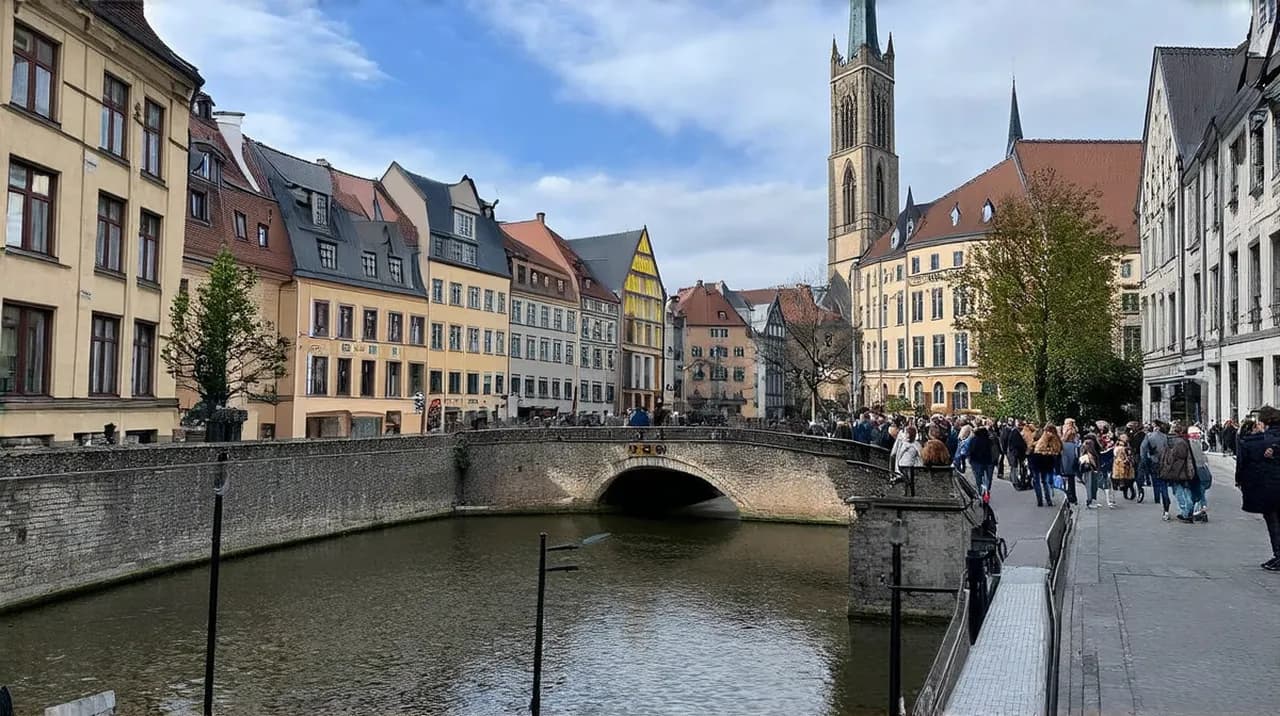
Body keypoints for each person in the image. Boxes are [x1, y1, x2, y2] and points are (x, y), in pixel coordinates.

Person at [1236, 406, 1280, 570]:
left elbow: (1243, 465)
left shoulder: (1255, 441)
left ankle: (1278, 555)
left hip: (1268, 488)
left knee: (1273, 521)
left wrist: (1241, 481)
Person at [1159, 423, 1199, 523]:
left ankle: (1185, 512)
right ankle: (1187, 512)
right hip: (1182, 471)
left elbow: (1169, 458)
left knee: (1179, 492)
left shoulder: (1169, 441)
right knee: (1185, 492)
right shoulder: (1181, 442)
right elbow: (1184, 458)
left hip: (1173, 471)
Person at [1141, 422, 1171, 520]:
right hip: (1165, 463)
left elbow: (1143, 449)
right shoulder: (1165, 437)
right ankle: (1166, 504)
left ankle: (1157, 497)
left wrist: (1144, 462)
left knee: (1156, 481)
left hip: (1154, 461)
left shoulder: (1149, 436)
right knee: (1164, 484)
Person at [1030, 425, 1063, 508]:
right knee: (1045, 481)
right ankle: (1048, 500)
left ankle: (1040, 501)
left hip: (1036, 460)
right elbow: (1058, 450)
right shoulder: (1055, 439)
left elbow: (1035, 447)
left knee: (1037, 481)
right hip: (1047, 462)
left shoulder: (1041, 436)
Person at [968, 426, 995, 496]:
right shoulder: (990, 440)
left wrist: (970, 460)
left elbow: (971, 450)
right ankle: (987, 491)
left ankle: (979, 491)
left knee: (978, 477)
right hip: (989, 461)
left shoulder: (973, 439)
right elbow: (994, 450)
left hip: (976, 461)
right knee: (989, 478)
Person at [1112, 434, 1136, 499]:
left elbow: (1115, 455)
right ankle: (1130, 493)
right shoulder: (1125, 447)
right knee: (1128, 480)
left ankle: (1126, 493)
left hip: (1121, 465)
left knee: (1125, 480)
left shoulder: (1117, 446)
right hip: (1125, 464)